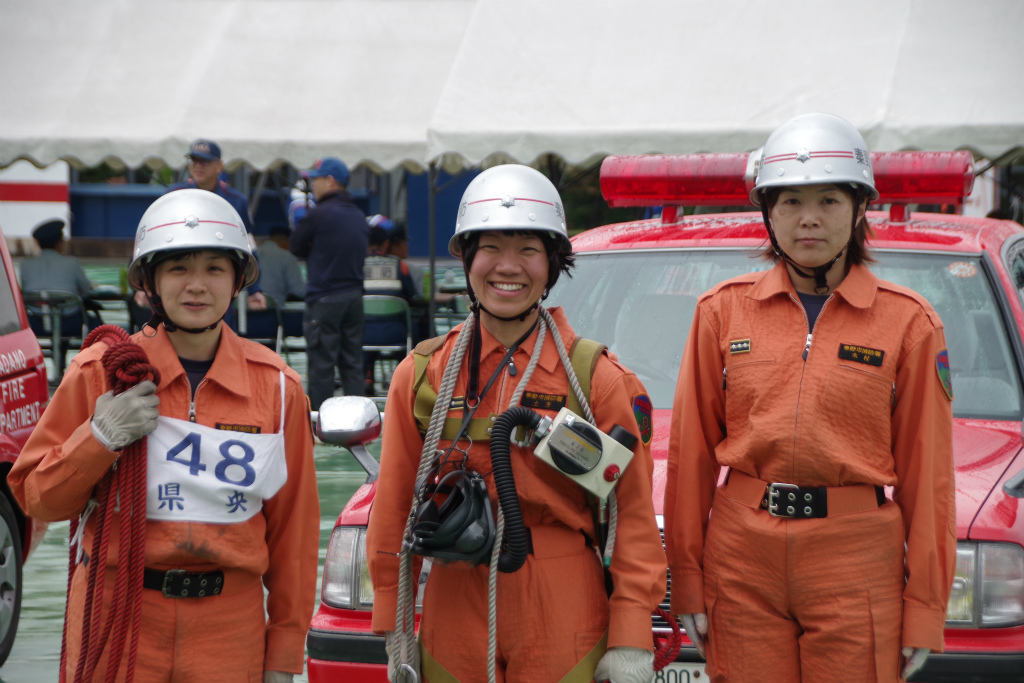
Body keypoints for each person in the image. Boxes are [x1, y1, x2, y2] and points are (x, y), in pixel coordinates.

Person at [663, 113, 956, 683]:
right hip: (741, 558)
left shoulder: (909, 323)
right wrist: (688, 577)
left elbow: (930, 479)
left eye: (828, 200)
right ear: (768, 213)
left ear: (860, 208)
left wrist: (925, 609)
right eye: (791, 202)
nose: (810, 219)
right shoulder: (721, 312)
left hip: (856, 563)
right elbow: (689, 457)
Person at [366, 164, 666, 683]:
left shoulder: (597, 379)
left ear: (552, 264)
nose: (509, 267)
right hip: (454, 591)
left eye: (528, 249)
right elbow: (393, 506)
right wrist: (394, 621)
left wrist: (631, 636)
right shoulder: (422, 376)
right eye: (491, 248)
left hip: (563, 595)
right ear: (466, 258)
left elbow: (632, 517)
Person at [9, 189, 320, 683]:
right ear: (149, 282)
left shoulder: (278, 388)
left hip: (229, 627)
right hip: (118, 615)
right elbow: (36, 499)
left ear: (238, 280)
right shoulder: (100, 374)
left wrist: (284, 652)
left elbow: (295, 539)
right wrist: (99, 437)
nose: (196, 286)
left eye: (215, 269)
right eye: (178, 268)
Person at [289, 157, 369, 409]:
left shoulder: (319, 213)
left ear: (330, 181)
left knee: (322, 364)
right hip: (354, 297)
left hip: (324, 298)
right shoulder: (358, 215)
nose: (313, 184)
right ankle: (358, 420)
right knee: (352, 363)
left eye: (316, 178)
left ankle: (319, 422)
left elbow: (296, 246)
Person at [165, 138, 267, 312]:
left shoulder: (236, 201)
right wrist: (144, 285)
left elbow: (248, 247)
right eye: (194, 161)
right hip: (181, 277)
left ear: (219, 166)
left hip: (218, 282)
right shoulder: (173, 196)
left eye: (204, 161)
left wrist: (254, 289)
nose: (198, 166)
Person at [363, 219, 419, 395]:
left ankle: (367, 375)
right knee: (415, 328)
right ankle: (403, 377)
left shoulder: (356, 266)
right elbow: (413, 297)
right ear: (386, 243)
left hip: (363, 335)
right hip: (397, 332)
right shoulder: (399, 266)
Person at [19, 218, 102, 335]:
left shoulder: (25, 265)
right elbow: (87, 289)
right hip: (69, 323)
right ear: (59, 242)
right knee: (98, 325)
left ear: (38, 243)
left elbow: (25, 290)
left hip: (36, 323)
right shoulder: (72, 262)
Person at [256, 225, 305, 307]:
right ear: (287, 241)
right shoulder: (286, 256)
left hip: (247, 312)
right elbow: (299, 290)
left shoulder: (253, 254)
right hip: (274, 313)